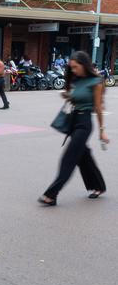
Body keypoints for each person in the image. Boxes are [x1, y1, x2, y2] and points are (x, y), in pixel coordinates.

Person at [39, 51, 109, 206]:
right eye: (71, 68)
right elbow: (74, 97)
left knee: (69, 158)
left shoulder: (96, 81)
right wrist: (68, 96)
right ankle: (99, 186)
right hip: (73, 120)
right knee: (84, 156)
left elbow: (98, 107)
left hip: (84, 123)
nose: (73, 71)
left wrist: (102, 131)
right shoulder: (76, 80)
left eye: (76, 67)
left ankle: (51, 194)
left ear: (84, 65)